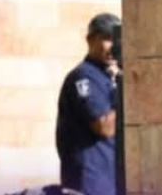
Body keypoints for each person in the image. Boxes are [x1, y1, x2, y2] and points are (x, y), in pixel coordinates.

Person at [56, 12, 121, 195]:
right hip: (90, 182)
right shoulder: (85, 76)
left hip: (109, 180)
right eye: (107, 39)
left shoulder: (107, 76)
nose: (113, 46)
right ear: (90, 40)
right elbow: (104, 127)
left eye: (117, 40)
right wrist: (131, 97)